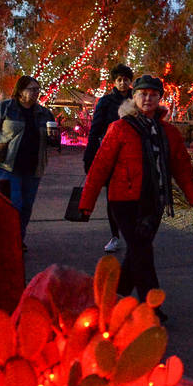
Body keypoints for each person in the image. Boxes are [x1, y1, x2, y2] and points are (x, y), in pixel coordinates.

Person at [78, 74, 193, 316]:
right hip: (124, 201)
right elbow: (99, 167)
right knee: (142, 250)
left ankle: (115, 300)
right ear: (133, 97)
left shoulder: (167, 131)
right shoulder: (119, 128)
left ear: (159, 98)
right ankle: (152, 306)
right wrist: (87, 203)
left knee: (137, 252)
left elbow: (181, 166)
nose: (147, 98)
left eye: (152, 94)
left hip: (154, 202)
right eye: (142, 94)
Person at [0, 76, 55, 247]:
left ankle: (18, 239)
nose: (35, 93)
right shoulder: (5, 109)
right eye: (31, 89)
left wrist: (54, 137)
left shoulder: (43, 113)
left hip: (33, 167)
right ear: (20, 91)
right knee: (14, 204)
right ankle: (9, 240)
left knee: (26, 206)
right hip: (5, 164)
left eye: (37, 89)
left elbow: (52, 141)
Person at [83, 63, 135, 253]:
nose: (122, 83)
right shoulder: (105, 102)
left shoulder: (136, 101)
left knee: (133, 195)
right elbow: (95, 129)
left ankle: (130, 233)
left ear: (130, 81)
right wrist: (90, 154)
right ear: (114, 81)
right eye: (119, 80)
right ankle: (115, 235)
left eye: (126, 80)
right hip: (111, 154)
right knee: (112, 197)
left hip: (132, 155)